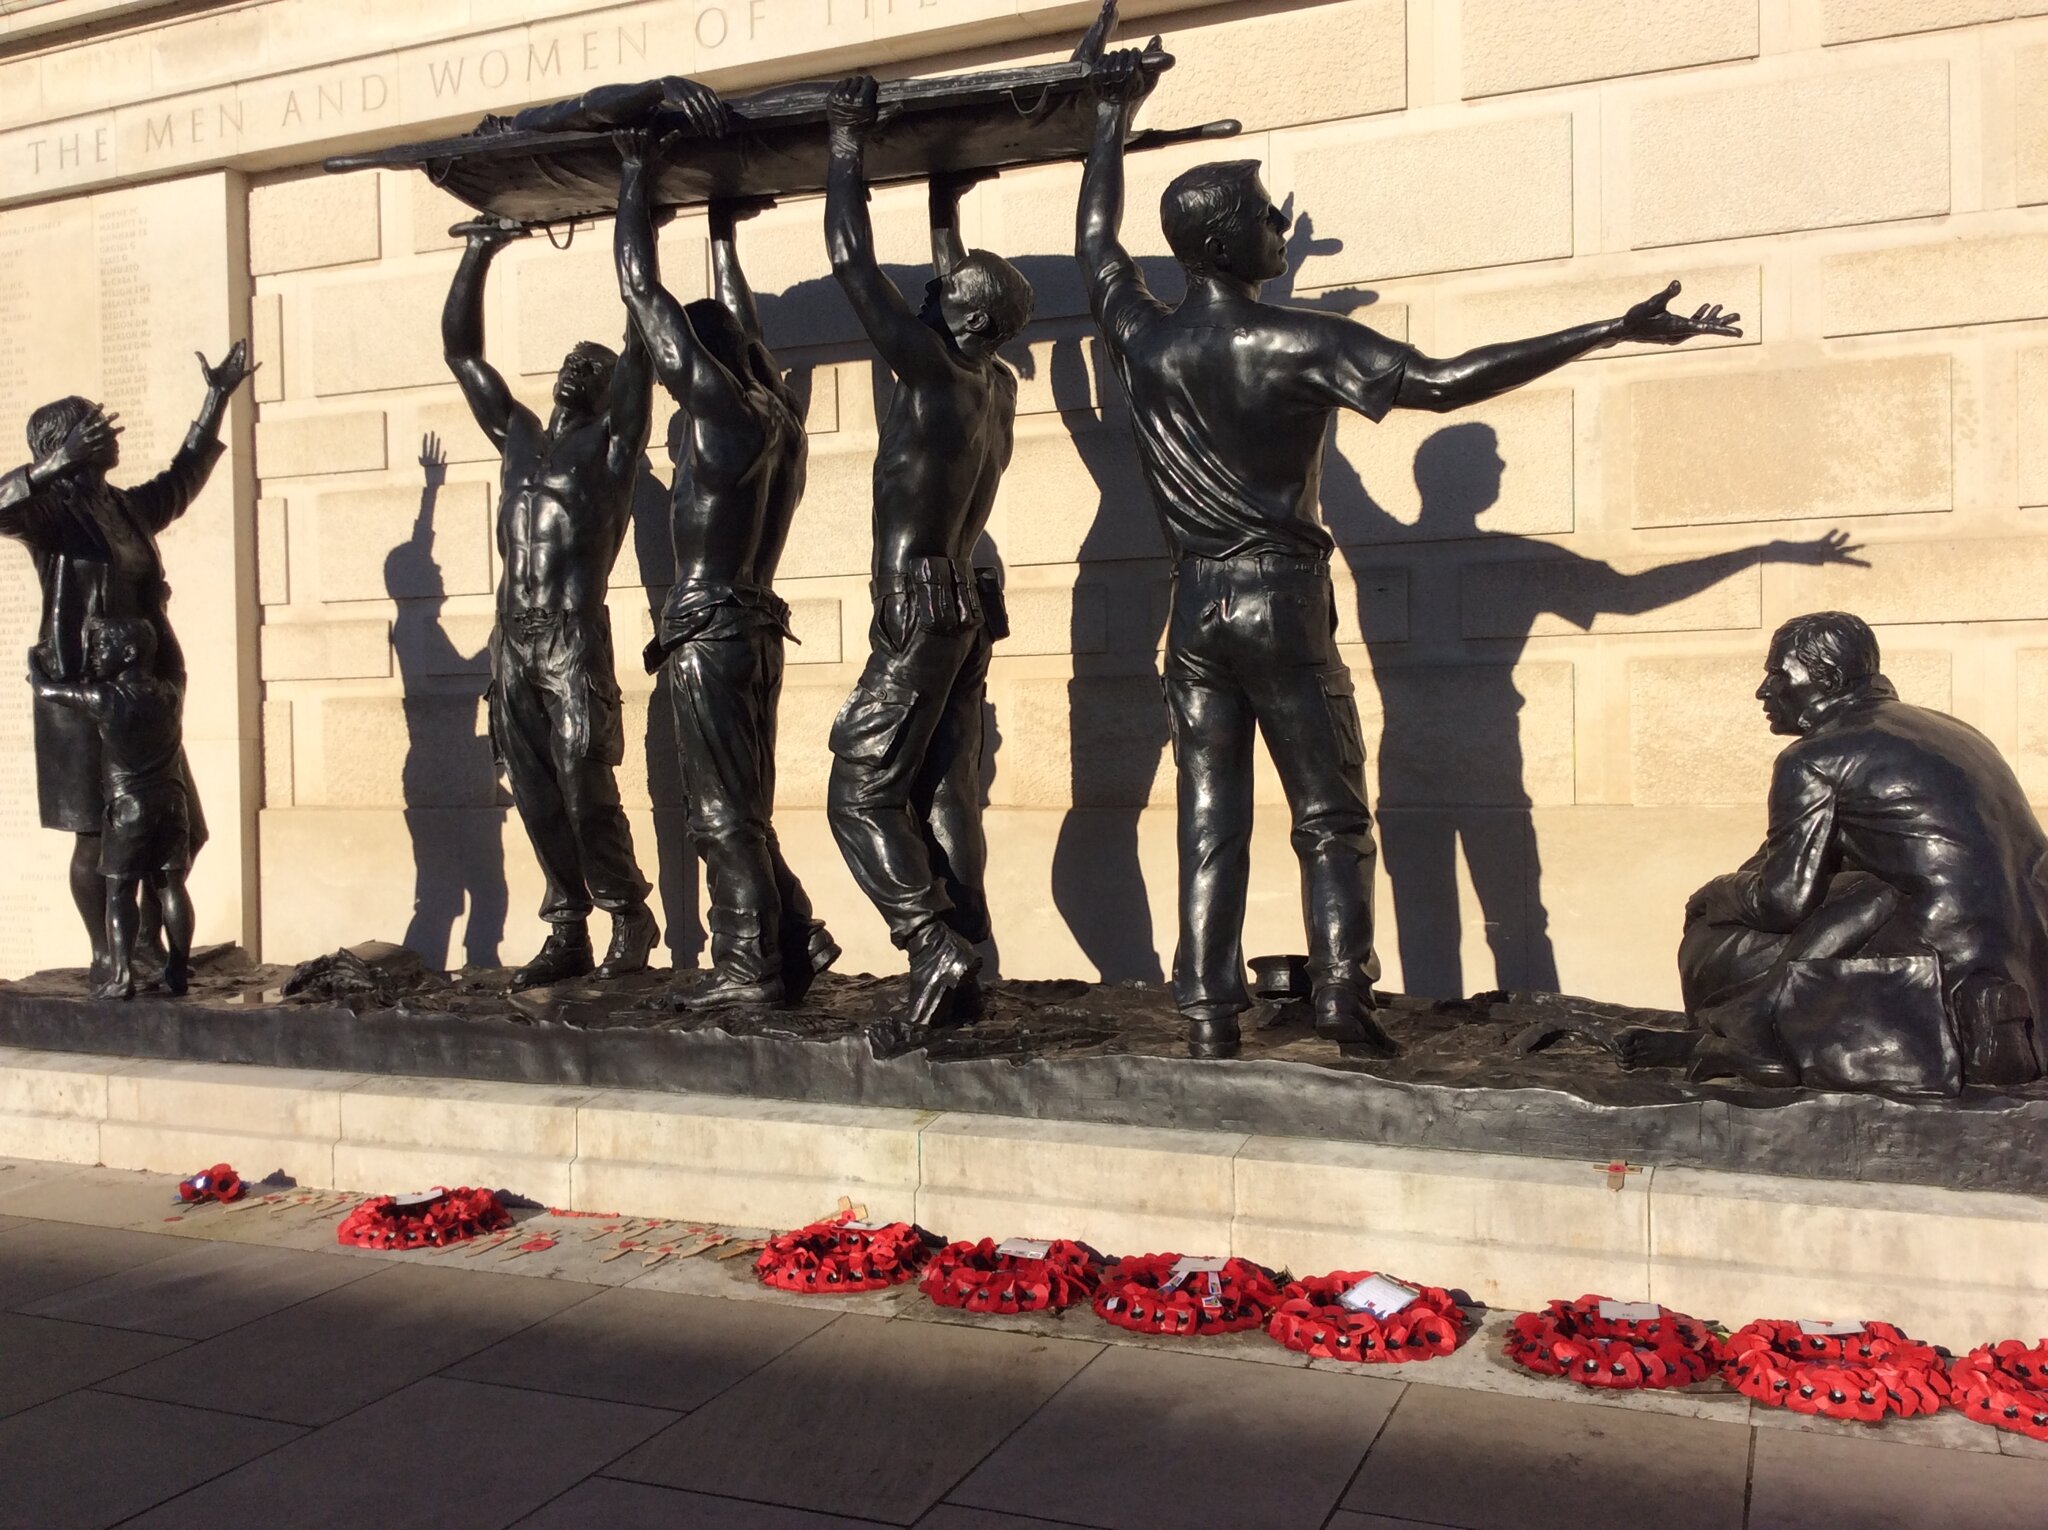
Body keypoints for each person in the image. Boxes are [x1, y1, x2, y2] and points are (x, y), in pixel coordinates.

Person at [1077, 49, 1738, 1059]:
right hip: (1278, 601)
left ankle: (1208, 1011)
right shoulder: (1298, 345)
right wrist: (1607, 326)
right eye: (1265, 216)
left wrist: (1107, 120)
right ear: (1225, 238)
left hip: (1196, 610)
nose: (1280, 228)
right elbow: (1443, 382)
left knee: (1208, 818)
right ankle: (1341, 997)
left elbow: (1093, 242)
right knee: (1329, 816)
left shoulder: (1142, 339)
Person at [822, 75, 1033, 1028]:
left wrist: (844, 144)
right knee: (945, 793)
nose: (927, 294)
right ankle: (972, 966)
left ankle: (933, 946)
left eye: (942, 294)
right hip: (960, 605)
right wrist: (945, 190)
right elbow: (952, 279)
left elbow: (849, 261)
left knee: (859, 796)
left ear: (966, 318)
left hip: (918, 608)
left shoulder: (933, 368)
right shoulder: (996, 387)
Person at [612, 120, 839, 1004]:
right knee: (746, 801)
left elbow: (640, 290)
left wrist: (636, 174)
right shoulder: (780, 415)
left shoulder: (714, 409)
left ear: (693, 363)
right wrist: (720, 231)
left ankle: (748, 967)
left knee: (720, 813)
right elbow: (738, 327)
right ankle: (795, 932)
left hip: (709, 628)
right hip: (757, 626)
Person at [1636, 612, 2048, 1093]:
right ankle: (1979, 1008)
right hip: (2022, 956)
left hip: (1927, 959)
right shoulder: (1957, 733)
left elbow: (1783, 900)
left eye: (1777, 673)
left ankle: (1751, 1023)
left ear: (1827, 679)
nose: (1764, 691)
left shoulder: (1814, 757)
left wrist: (1713, 893)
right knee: (1866, 888)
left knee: (1716, 939)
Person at [443, 211, 659, 989]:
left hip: (572, 638)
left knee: (583, 780)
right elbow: (461, 353)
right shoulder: (519, 439)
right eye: (573, 360)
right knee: (534, 790)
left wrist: (638, 222)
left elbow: (642, 338)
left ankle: (628, 910)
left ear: (608, 396)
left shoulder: (611, 451)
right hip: (513, 641)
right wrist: (479, 254)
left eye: (593, 368)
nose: (578, 368)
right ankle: (567, 925)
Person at [0, 343, 250, 984]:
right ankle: (110, 952)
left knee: (178, 829)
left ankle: (141, 941)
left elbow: (182, 479)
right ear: (69, 443)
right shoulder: (53, 514)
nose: (109, 433)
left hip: (144, 693)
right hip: (79, 691)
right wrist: (52, 466)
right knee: (95, 829)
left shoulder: (121, 510)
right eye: (93, 426)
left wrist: (215, 401)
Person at [31, 619, 193, 1000]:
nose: (97, 655)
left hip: (129, 807)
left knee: (120, 890)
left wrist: (35, 662)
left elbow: (46, 690)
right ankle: (177, 968)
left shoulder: (106, 697)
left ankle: (121, 975)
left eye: (104, 647)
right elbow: (178, 664)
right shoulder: (172, 692)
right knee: (171, 886)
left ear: (129, 653)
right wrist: (162, 616)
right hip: (172, 802)